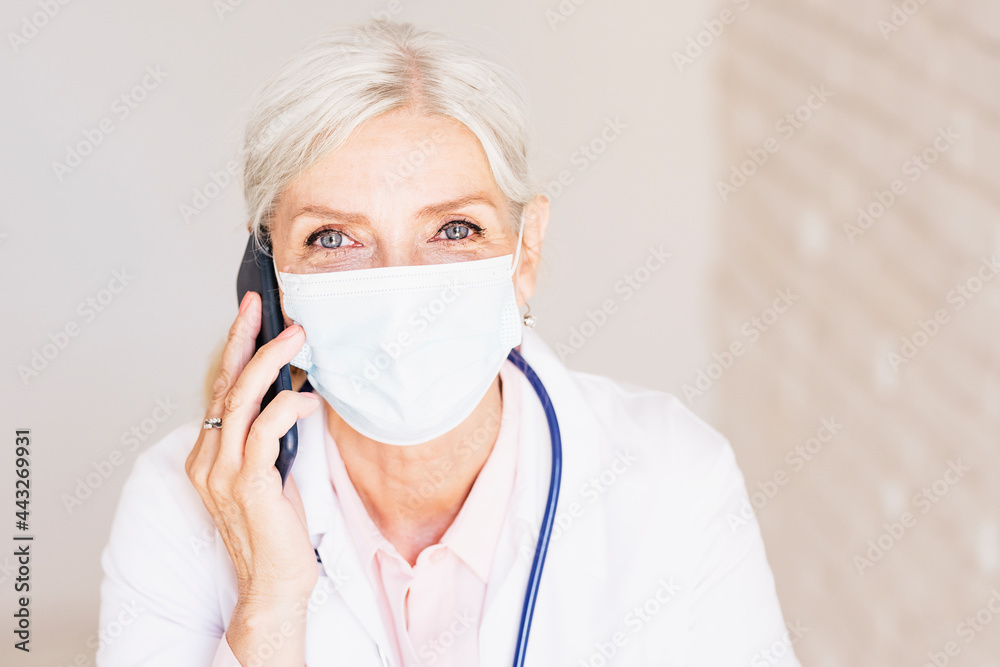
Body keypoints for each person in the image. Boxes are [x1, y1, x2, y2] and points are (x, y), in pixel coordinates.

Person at [97, 19, 801, 667]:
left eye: (455, 230)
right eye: (334, 238)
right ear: (270, 277)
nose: (401, 288)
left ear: (525, 254)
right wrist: (270, 616)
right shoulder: (175, 505)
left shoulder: (676, 477)